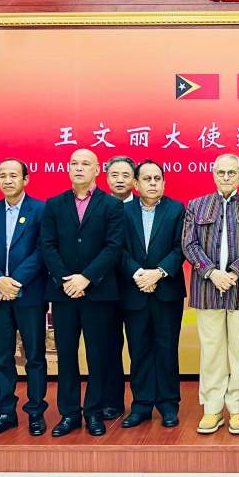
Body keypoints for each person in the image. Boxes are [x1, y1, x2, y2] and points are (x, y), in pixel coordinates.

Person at [40, 148, 124, 437]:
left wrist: (86, 278)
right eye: (74, 163)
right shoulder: (54, 204)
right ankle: (69, 414)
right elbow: (48, 245)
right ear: (68, 169)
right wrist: (66, 279)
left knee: (98, 355)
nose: (79, 168)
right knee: (66, 355)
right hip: (64, 292)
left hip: (98, 292)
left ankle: (94, 412)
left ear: (97, 170)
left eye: (85, 163)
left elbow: (114, 246)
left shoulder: (111, 205)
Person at [182, 153, 239, 435]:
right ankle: (212, 408)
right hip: (207, 289)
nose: (226, 177)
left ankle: (237, 408)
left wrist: (235, 272)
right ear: (213, 174)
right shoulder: (196, 205)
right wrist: (212, 273)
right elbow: (189, 244)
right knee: (211, 352)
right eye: (221, 172)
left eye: (232, 172)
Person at [0, 158, 49, 438]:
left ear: (25, 179)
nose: (8, 180)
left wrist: (16, 281)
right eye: (2, 175)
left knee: (35, 357)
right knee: (1, 357)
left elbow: (42, 250)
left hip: (29, 294)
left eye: (13, 175)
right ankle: (5, 413)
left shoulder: (40, 209)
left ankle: (36, 412)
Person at [119, 160, 187, 428]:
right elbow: (117, 249)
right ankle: (142, 405)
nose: (152, 183)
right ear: (136, 184)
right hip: (134, 291)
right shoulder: (123, 211)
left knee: (167, 349)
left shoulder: (176, 209)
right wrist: (139, 274)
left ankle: (169, 405)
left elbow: (181, 248)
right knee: (139, 350)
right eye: (147, 179)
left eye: (157, 178)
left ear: (164, 182)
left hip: (166, 291)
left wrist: (157, 273)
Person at [100, 155, 134, 420]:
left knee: (140, 347)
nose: (120, 180)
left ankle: (144, 401)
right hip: (104, 288)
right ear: (106, 178)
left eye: (125, 175)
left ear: (134, 180)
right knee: (108, 347)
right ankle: (111, 400)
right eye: (115, 175)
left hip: (138, 288)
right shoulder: (97, 207)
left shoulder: (143, 207)